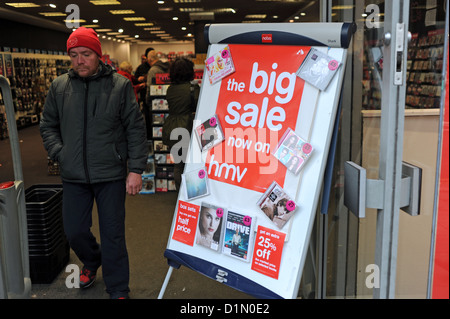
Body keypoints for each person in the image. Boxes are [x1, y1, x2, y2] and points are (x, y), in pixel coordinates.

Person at [39, 27, 148, 299]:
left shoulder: (119, 86)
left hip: (110, 173)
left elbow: (135, 129)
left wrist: (135, 169)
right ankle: (92, 259)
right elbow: (47, 125)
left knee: (113, 235)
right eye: (74, 55)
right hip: (73, 174)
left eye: (86, 54)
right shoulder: (59, 87)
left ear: (98, 55)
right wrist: (60, 153)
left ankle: (118, 288)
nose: (79, 60)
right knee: (74, 231)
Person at [163, 57, 200, 190]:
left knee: (178, 164)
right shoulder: (192, 88)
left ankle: (180, 193)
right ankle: (192, 192)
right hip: (188, 127)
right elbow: (199, 106)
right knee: (193, 163)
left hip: (172, 127)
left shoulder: (170, 89)